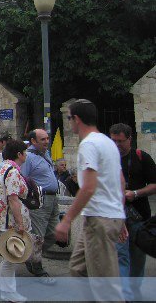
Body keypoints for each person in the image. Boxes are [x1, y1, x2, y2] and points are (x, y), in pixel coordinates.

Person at [54, 99, 126, 302]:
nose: (69, 122)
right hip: (103, 217)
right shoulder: (107, 143)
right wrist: (119, 215)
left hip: (99, 218)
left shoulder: (89, 145)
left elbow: (89, 187)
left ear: (76, 119)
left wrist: (67, 220)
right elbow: (120, 181)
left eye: (69, 118)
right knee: (78, 268)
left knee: (105, 286)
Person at [110, 122, 156, 301]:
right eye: (113, 141)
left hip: (139, 216)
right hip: (116, 216)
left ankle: (134, 289)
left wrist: (136, 193)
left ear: (130, 139)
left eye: (120, 141)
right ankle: (124, 294)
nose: (117, 145)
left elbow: (154, 184)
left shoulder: (141, 157)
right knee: (121, 255)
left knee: (137, 257)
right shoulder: (109, 158)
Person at [0, 139, 32, 303]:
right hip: (11, 220)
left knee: (10, 254)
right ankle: (8, 292)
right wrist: (20, 223)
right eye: (25, 152)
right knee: (13, 257)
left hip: (4, 217)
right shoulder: (13, 171)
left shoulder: (4, 168)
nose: (26, 155)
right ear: (19, 154)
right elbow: (13, 199)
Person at [20, 129, 58, 284]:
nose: (47, 141)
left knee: (54, 233)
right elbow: (23, 178)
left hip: (53, 199)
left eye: (47, 138)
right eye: (43, 139)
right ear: (33, 141)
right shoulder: (28, 157)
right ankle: (37, 267)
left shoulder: (45, 154)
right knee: (38, 235)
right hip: (40, 200)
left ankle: (29, 255)